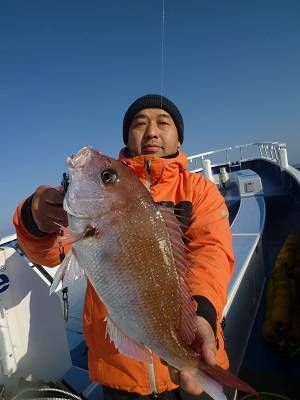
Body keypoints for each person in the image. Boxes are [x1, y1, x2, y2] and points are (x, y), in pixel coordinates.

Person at [13, 94, 234, 400]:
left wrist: (203, 316)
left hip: (192, 349)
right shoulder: (86, 214)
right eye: (140, 123)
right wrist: (34, 217)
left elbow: (212, 253)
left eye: (163, 123)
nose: (152, 131)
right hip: (119, 371)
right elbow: (50, 254)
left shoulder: (199, 192)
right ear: (127, 136)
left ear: (179, 138)